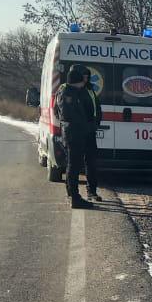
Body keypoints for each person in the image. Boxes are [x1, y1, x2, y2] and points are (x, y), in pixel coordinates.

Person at [57, 65, 97, 209]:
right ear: (76, 81)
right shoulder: (67, 93)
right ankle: (74, 197)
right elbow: (68, 115)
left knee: (74, 165)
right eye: (81, 81)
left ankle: (73, 195)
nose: (83, 84)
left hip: (78, 133)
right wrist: (84, 125)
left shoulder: (75, 92)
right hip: (74, 134)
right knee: (73, 166)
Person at [81, 68, 103, 202]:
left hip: (90, 132)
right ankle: (73, 195)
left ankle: (92, 191)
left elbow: (97, 108)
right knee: (74, 164)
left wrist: (97, 122)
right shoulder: (74, 90)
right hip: (78, 132)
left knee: (92, 163)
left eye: (87, 76)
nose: (86, 78)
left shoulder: (90, 90)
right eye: (83, 76)